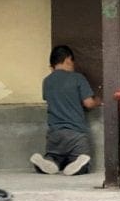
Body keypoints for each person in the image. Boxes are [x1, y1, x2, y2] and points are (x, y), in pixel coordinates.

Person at [31, 44, 99, 176]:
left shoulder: (47, 81)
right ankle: (77, 164)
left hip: (54, 135)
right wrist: (98, 100)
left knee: (54, 157)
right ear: (68, 60)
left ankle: (48, 161)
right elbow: (89, 103)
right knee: (82, 159)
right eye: (72, 62)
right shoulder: (77, 78)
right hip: (76, 133)